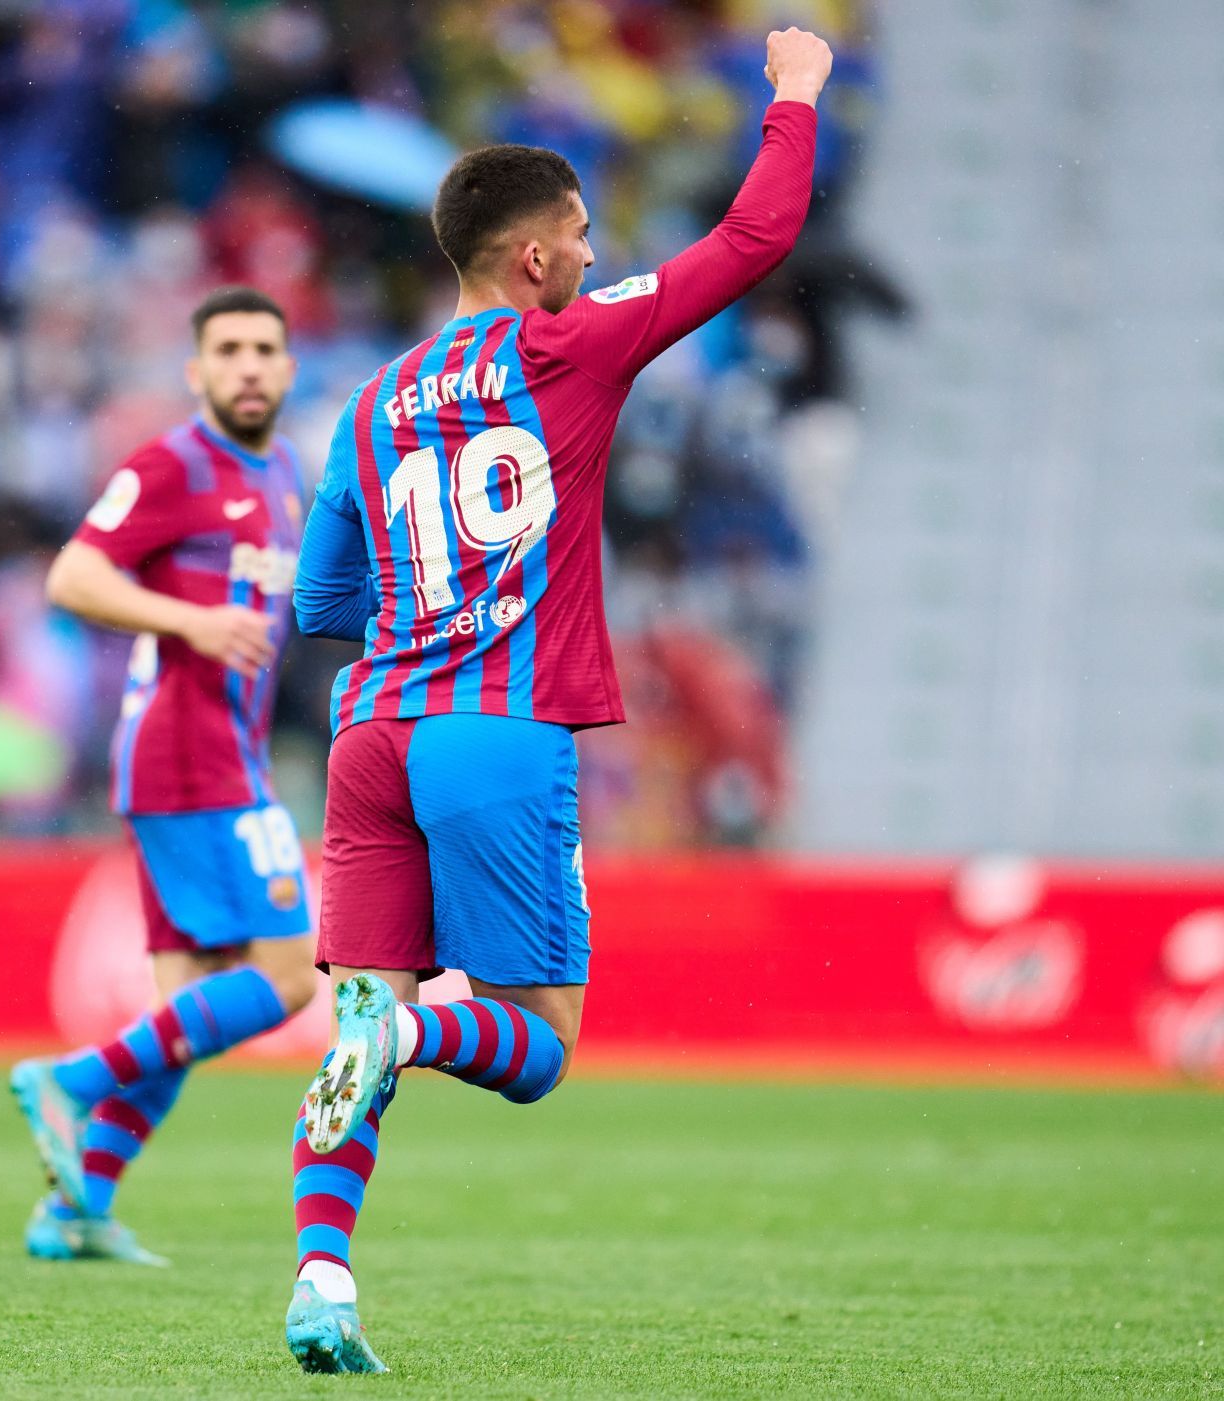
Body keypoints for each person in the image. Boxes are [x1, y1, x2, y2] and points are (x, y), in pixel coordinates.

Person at [279, 26, 834, 1373]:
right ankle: (399, 1023)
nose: (592, 251)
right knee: (535, 1040)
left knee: (358, 1013)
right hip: (494, 733)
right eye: (579, 233)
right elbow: (753, 241)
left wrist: (431, 607)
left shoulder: (367, 402)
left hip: (371, 738)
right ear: (529, 258)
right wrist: (795, 98)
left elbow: (317, 606)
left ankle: (320, 1282)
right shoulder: (571, 347)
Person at [7, 286, 318, 1264]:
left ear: (288, 366)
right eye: (227, 350)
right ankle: (74, 1080)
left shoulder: (284, 478)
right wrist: (188, 622)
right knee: (291, 974)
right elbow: (72, 576)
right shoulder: (175, 463)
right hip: (188, 753)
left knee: (185, 1008)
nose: (249, 366)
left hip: (225, 748)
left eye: (265, 348)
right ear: (197, 372)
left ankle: (73, 1210)